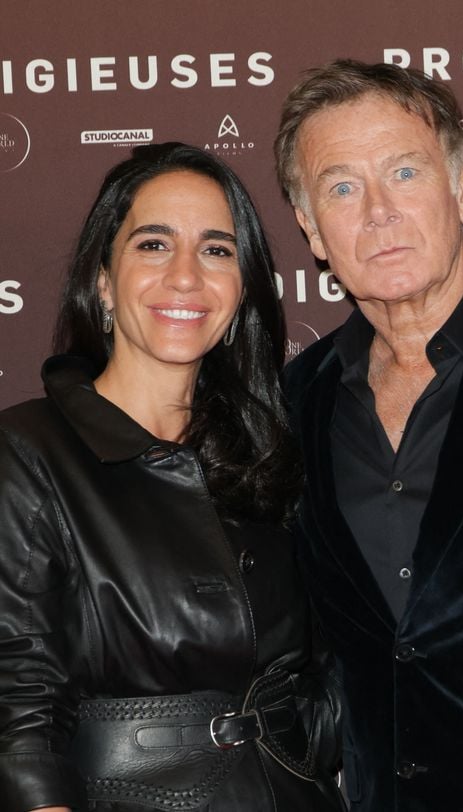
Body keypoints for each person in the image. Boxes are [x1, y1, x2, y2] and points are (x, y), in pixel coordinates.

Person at [0, 143, 346, 812]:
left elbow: (325, 669)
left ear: (241, 287)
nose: (186, 276)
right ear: (103, 280)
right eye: (154, 245)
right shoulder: (28, 452)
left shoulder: (274, 456)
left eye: (217, 250)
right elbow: (18, 713)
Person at [275, 58, 463, 811]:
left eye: (404, 173)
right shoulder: (293, 399)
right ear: (313, 229)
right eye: (341, 187)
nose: (377, 210)